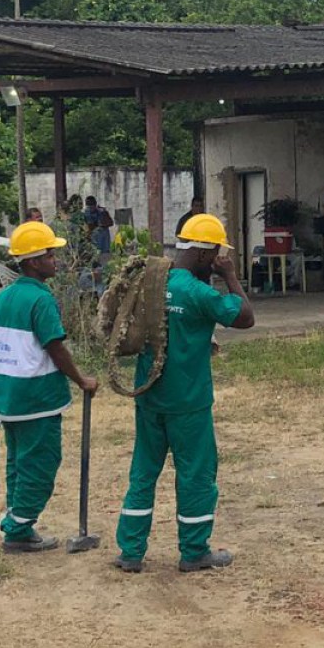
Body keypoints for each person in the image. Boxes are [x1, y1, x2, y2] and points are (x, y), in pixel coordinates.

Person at [114, 213, 255, 574]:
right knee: (195, 474)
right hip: (189, 402)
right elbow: (245, 318)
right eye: (217, 256)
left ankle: (130, 551)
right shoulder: (199, 293)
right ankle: (194, 552)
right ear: (208, 255)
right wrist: (231, 277)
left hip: (149, 397)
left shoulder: (149, 281)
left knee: (143, 472)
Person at [0, 219, 98, 553]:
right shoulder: (41, 299)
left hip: (8, 397)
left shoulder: (6, 297)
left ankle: (17, 519)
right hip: (36, 398)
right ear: (33, 262)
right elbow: (55, 346)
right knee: (41, 463)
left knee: (19, 462)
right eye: (50, 254)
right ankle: (18, 528)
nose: (55, 260)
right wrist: (81, 380)